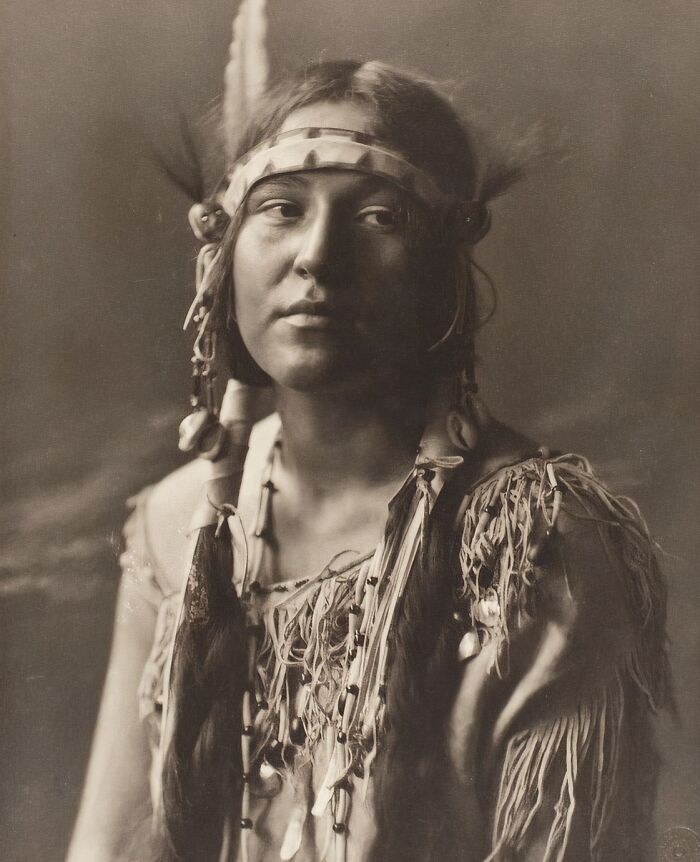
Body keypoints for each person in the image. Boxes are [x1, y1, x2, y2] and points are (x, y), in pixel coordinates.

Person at [66, 54, 672, 862]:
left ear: (442, 275)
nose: (317, 255)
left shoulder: (532, 544)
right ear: (220, 255)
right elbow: (105, 847)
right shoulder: (179, 525)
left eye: (378, 217)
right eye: (280, 208)